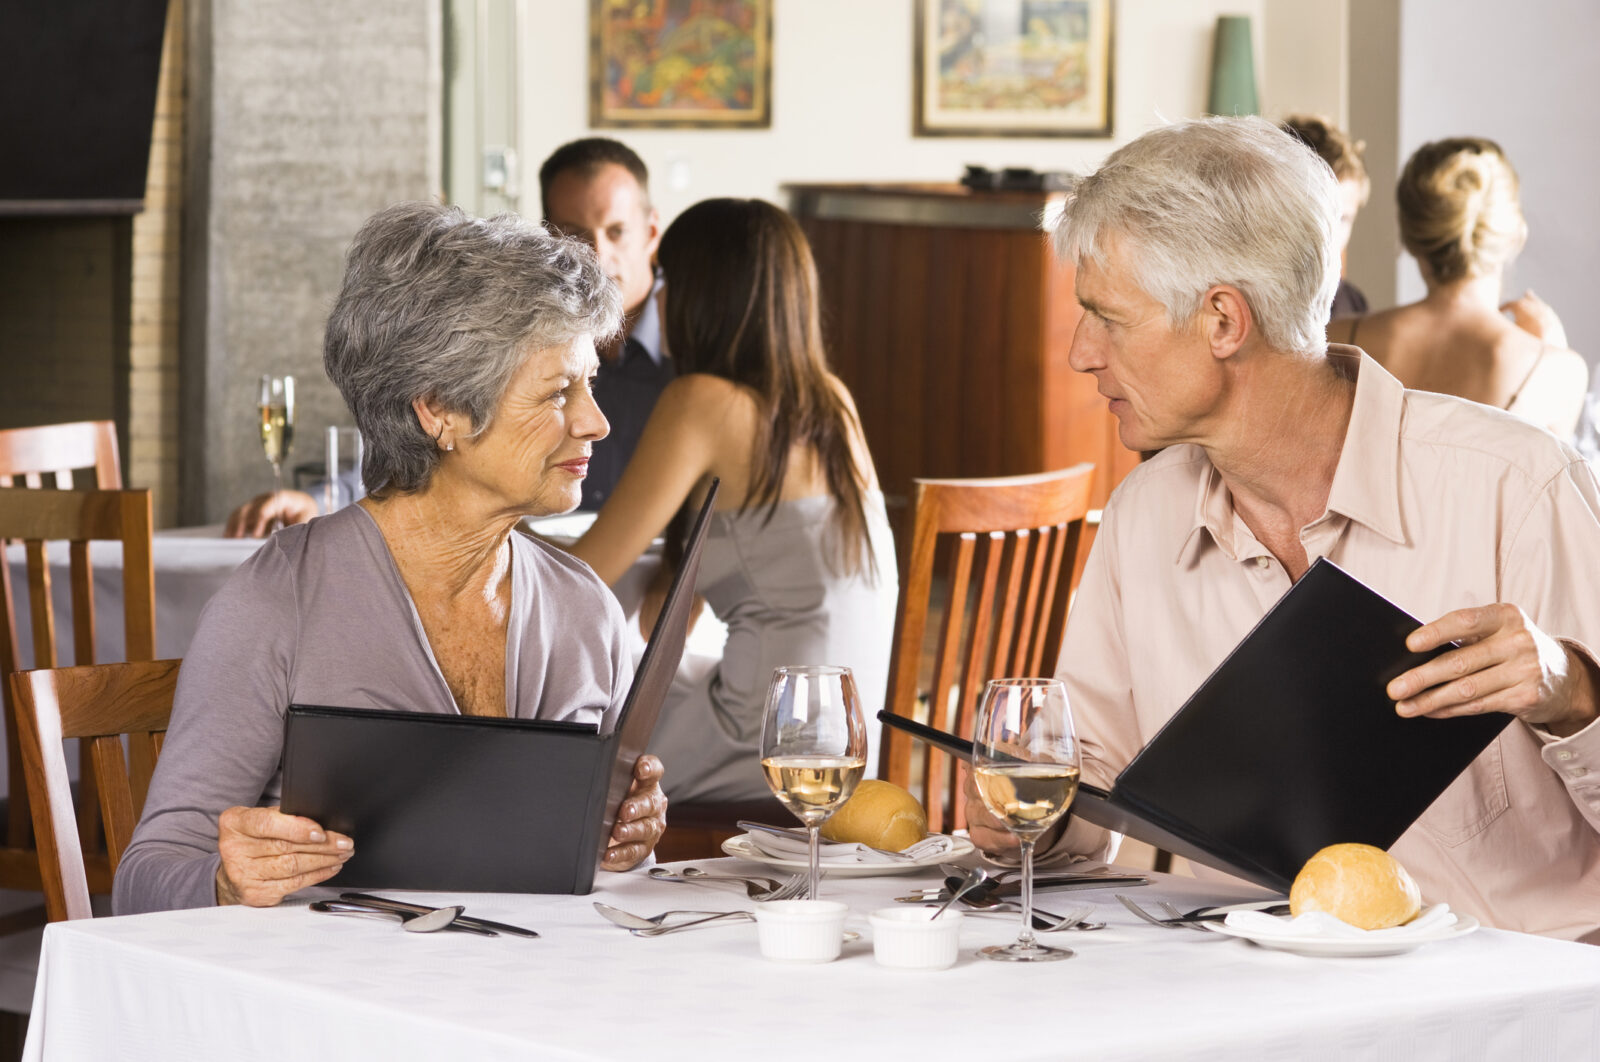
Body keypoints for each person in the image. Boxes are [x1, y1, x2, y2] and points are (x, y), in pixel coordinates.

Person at [968, 116, 1600, 943]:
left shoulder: (1518, 489)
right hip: (1247, 998)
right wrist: (1034, 821)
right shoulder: (1144, 515)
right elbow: (1093, 794)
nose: (1082, 354)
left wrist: (1574, 697)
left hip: (1509, 1006)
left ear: (1224, 321)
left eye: (1107, 318)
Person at [115, 203, 667, 913]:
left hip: (527, 999)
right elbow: (143, 881)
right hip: (332, 1007)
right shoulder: (281, 603)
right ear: (438, 409)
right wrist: (226, 880)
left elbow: (593, 853)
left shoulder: (584, 608)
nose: (596, 421)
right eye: (560, 391)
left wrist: (629, 833)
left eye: (589, 383)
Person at [567, 198, 898, 804]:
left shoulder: (700, 403)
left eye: (665, 278)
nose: (656, 297)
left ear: (702, 294)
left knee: (567, 733)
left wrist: (477, 530)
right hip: (845, 741)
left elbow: (581, 577)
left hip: (768, 746)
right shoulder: (830, 401)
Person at [224, 137, 669, 535]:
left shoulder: (691, 352)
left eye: (616, 231)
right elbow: (422, 453)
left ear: (651, 234)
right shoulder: (512, 336)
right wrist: (322, 498)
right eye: (573, 234)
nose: (595, 253)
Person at [1331, 137, 1588, 439]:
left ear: (1411, 237)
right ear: (1516, 234)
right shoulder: (1558, 375)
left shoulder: (1335, 340)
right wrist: (1548, 353)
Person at [1280, 114, 1370, 319]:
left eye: (1343, 219)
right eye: (1318, 214)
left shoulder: (1353, 305)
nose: (1328, 234)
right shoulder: (1249, 299)